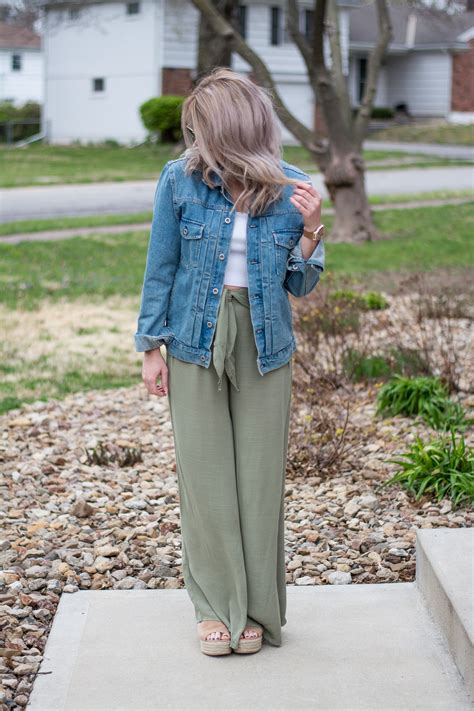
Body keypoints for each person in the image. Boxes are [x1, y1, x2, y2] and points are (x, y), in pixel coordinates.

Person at [134, 67, 325, 656]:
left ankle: (258, 612)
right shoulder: (179, 181)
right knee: (206, 478)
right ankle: (215, 606)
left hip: (265, 344)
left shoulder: (293, 189)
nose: (195, 141)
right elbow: (160, 266)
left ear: (235, 129)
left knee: (259, 480)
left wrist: (313, 233)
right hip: (193, 336)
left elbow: (299, 285)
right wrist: (149, 347)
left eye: (202, 129)